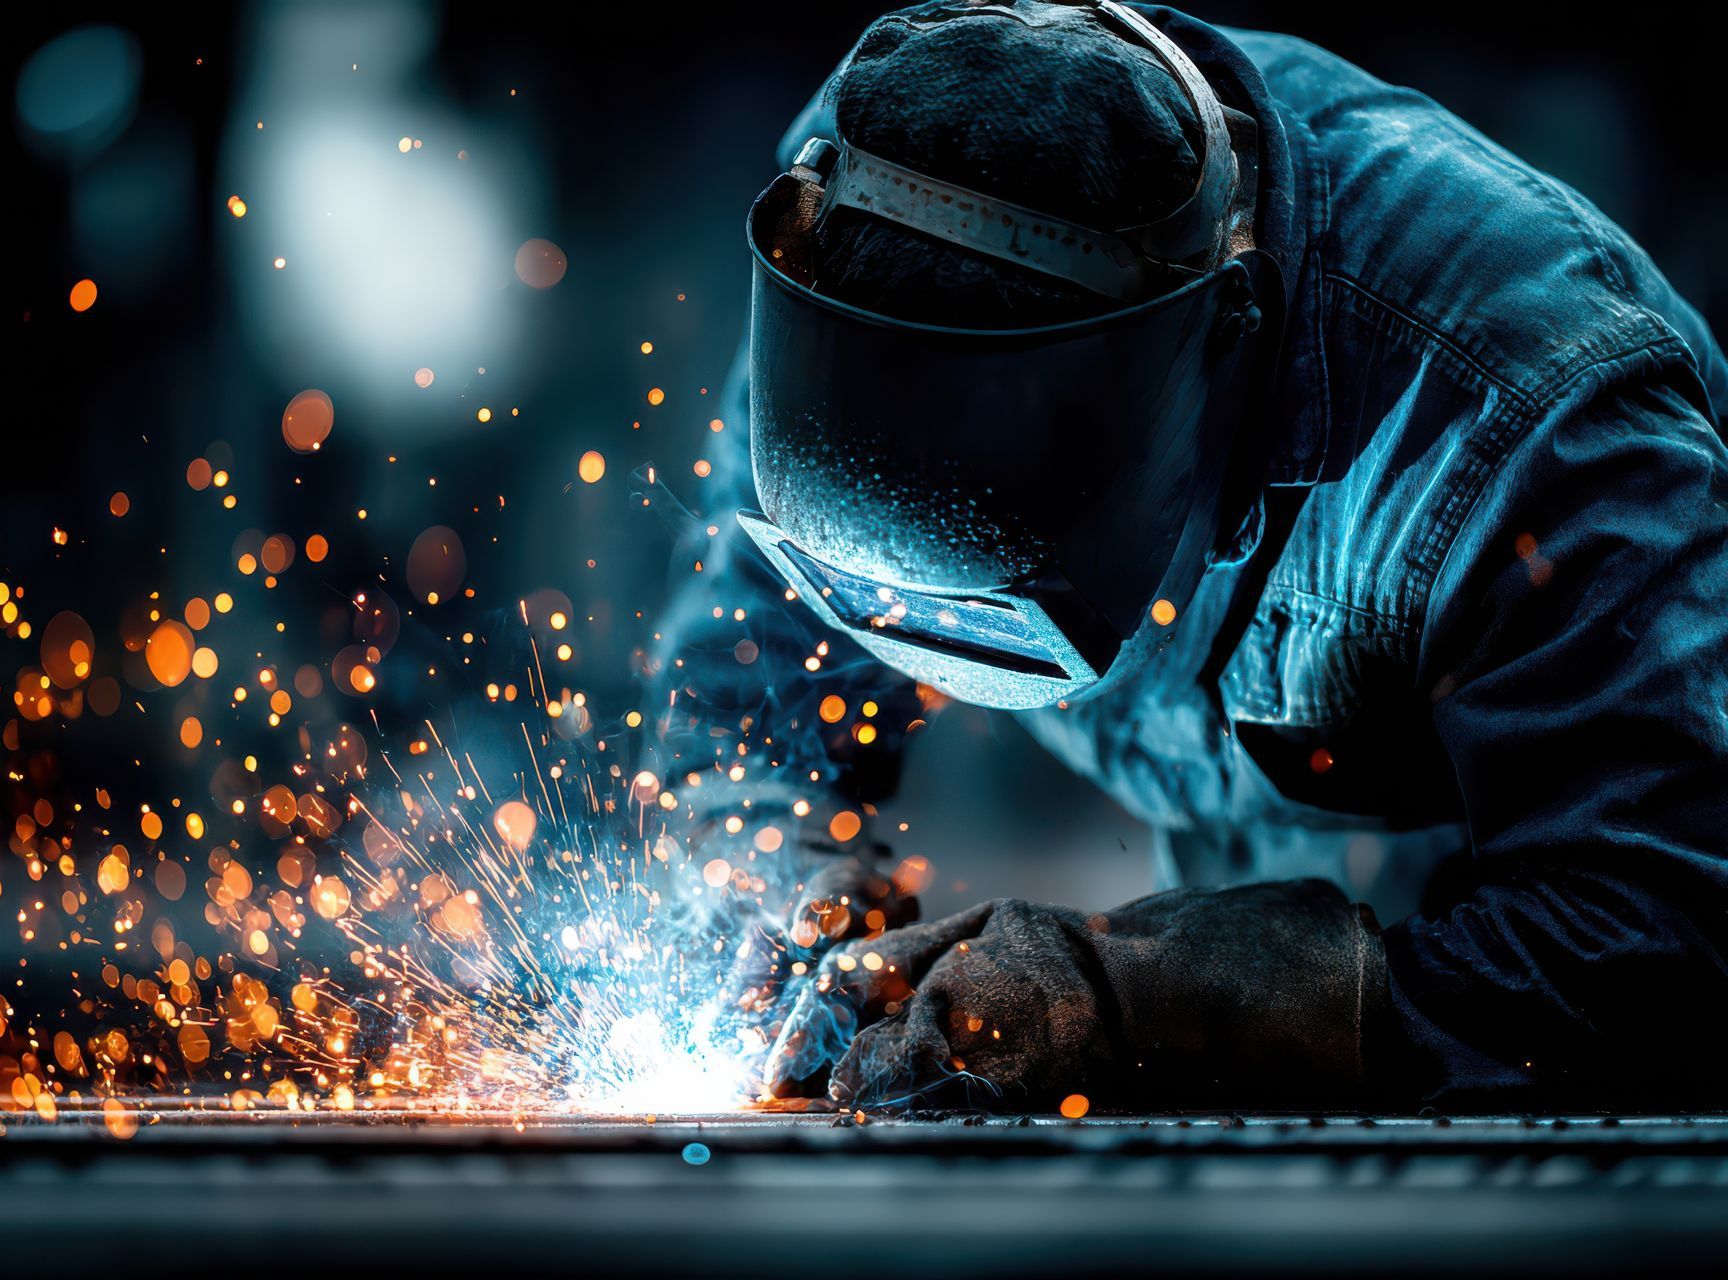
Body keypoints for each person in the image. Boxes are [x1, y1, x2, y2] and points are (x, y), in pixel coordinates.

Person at [635, 0, 1728, 1113]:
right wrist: (773, 890)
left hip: (1504, 1028)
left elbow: (1664, 933)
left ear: (1223, 344)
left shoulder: (1521, 405)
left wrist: (1138, 1001)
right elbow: (746, 712)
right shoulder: (859, 230)